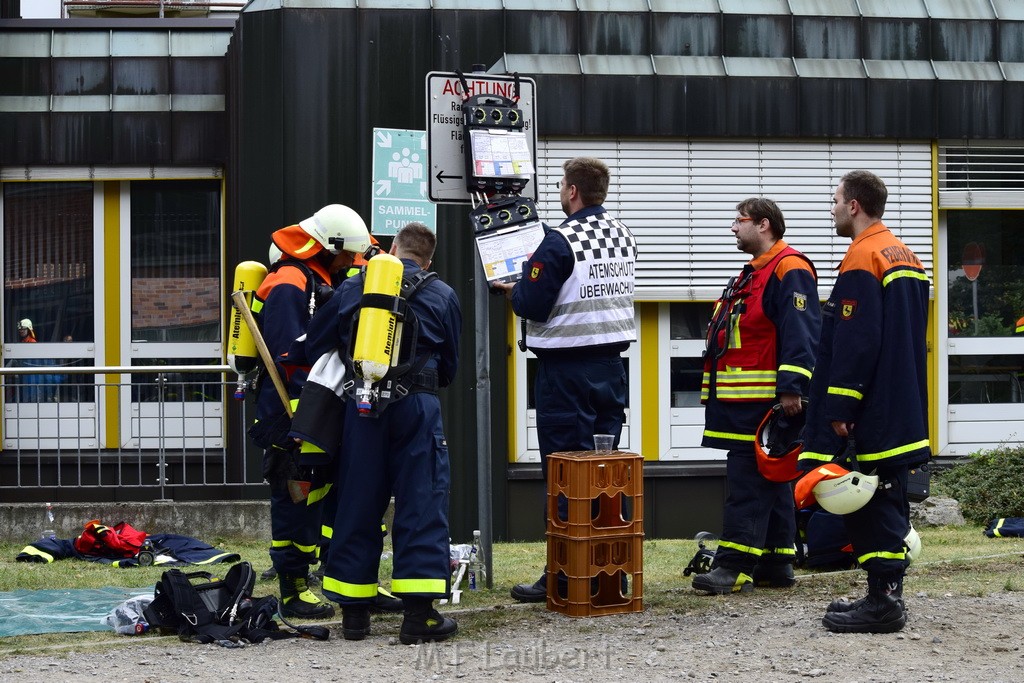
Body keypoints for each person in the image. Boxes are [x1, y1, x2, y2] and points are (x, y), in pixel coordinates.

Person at [304, 222, 462, 644]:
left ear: (392, 249)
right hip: (418, 406)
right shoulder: (443, 294)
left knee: (358, 500)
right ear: (430, 259)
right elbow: (449, 367)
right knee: (421, 501)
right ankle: (419, 618)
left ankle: (354, 617)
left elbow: (314, 343)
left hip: (363, 406)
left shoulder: (357, 287)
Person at [493, 157, 638, 603]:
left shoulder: (559, 240)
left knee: (564, 473)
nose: (559, 191)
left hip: (565, 374)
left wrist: (512, 290)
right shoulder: (623, 234)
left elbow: (533, 304)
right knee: (604, 471)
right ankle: (608, 571)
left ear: (572, 191)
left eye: (560, 185)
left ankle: (563, 576)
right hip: (612, 370)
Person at [797, 170, 931, 634]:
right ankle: (886, 595)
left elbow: (856, 343)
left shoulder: (861, 256)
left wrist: (840, 408)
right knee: (890, 498)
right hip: (903, 402)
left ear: (854, 205)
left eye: (834, 200)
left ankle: (881, 604)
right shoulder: (905, 256)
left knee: (866, 500)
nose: (831, 209)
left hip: (871, 406)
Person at [692, 198, 821, 595]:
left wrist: (792, 388)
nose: (733, 228)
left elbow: (803, 332)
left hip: (763, 402)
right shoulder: (753, 274)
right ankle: (776, 562)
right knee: (773, 479)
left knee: (747, 481)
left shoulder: (789, 269)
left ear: (763, 224)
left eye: (739, 221)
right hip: (741, 400)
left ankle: (733, 566)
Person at [250, 203, 371, 620]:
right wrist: (305, 416)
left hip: (319, 409)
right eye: (346, 255)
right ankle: (293, 588)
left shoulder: (323, 279)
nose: (350, 263)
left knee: (329, 496)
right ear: (327, 246)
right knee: (295, 496)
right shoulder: (288, 282)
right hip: (290, 414)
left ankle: (337, 577)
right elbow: (288, 354)